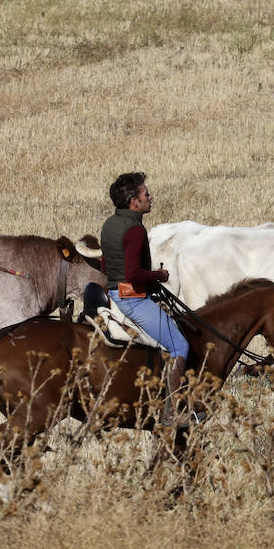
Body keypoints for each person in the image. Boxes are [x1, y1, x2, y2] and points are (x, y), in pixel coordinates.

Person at [100, 173, 191, 426]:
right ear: (133, 202)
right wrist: (159, 275)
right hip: (132, 298)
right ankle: (171, 413)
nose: (151, 197)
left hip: (114, 292)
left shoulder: (109, 224)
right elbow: (133, 273)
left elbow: (106, 264)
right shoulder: (135, 229)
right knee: (179, 346)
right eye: (146, 194)